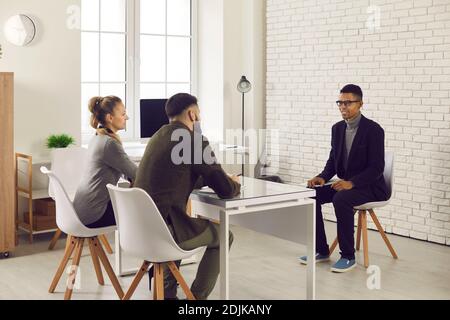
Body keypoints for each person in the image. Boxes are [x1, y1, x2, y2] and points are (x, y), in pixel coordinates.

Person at [134, 93, 241, 300]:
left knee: (179, 224)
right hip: (165, 233)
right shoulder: (194, 141)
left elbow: (178, 176)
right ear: (192, 114)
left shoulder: (158, 136)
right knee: (224, 235)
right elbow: (225, 190)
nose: (200, 117)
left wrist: (214, 178)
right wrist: (233, 183)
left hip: (140, 231)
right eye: (198, 113)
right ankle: (197, 299)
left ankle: (167, 294)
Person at [299, 84, 389, 273]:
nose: (343, 106)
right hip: (346, 184)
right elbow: (333, 159)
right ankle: (321, 250)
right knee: (310, 194)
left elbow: (377, 168)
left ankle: (348, 256)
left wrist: (352, 183)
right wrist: (322, 177)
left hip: (371, 187)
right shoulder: (337, 129)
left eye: (348, 103)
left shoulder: (374, 130)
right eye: (340, 102)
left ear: (360, 104)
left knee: (342, 199)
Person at [73, 96, 137, 228]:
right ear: (110, 118)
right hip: (94, 214)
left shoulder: (98, 137)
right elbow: (137, 173)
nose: (127, 118)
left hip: (81, 210)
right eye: (123, 114)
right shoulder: (109, 143)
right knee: (145, 212)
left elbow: (126, 170)